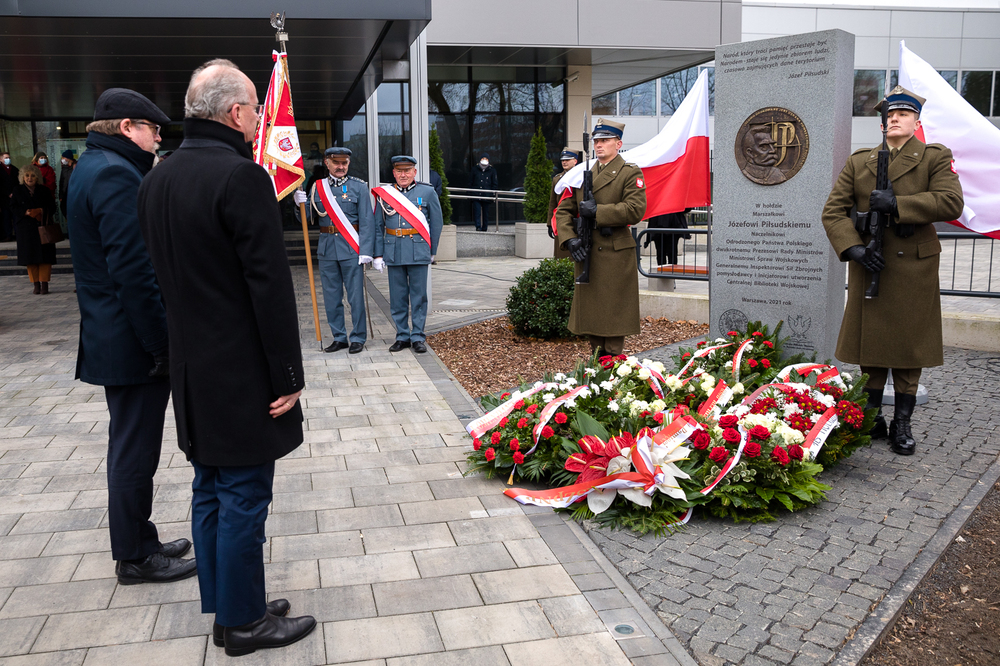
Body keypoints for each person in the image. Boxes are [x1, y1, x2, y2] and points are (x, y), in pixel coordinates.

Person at [138, 58, 315, 657]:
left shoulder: (158, 176)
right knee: (242, 495)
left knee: (211, 489)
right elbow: (269, 285)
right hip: (241, 371)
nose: (260, 117)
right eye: (256, 108)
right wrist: (287, 374)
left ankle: (230, 606)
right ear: (236, 113)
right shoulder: (242, 177)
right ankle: (243, 624)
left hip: (192, 368)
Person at [67, 88, 197, 585]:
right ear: (127, 127)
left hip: (115, 333)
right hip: (131, 340)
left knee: (133, 446)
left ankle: (142, 539)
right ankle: (135, 558)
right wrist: (161, 345)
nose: (158, 138)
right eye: (152, 129)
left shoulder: (94, 166)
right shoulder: (116, 174)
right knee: (134, 451)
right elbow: (134, 273)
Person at [822, 85, 963, 456]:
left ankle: (902, 423)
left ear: (916, 122)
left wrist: (899, 204)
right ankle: (873, 418)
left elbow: (951, 202)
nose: (895, 119)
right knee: (871, 344)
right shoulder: (860, 161)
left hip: (912, 265)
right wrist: (853, 248)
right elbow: (833, 211)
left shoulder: (933, 157)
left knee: (907, 345)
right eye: (890, 115)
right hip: (871, 261)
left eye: (903, 114)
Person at [556, 118, 646, 357]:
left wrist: (598, 211)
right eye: (596, 141)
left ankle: (614, 363)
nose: (599, 145)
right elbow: (563, 211)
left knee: (613, 314)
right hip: (588, 251)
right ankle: (598, 363)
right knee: (592, 315)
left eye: (605, 140)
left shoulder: (629, 172)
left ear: (619, 144)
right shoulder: (580, 174)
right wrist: (570, 239)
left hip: (615, 254)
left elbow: (635, 209)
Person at [293, 147, 376, 354]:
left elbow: (367, 222)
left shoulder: (359, 187)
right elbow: (307, 218)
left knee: (355, 297)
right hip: (327, 249)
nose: (340, 167)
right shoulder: (317, 187)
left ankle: (358, 337)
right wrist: (298, 205)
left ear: (348, 163)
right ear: (327, 163)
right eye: (336, 163)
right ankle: (339, 337)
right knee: (331, 297)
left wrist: (366, 250)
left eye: (344, 163)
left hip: (351, 249)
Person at [373, 155, 443, 354]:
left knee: (419, 296)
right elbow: (378, 226)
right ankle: (402, 335)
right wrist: (378, 254)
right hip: (393, 250)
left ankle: (418, 336)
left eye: (407, 171)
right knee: (397, 297)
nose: (403, 175)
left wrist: (432, 251)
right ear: (394, 173)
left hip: (418, 250)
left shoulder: (427, 192)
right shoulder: (385, 194)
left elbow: (436, 223)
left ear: (415, 172)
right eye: (399, 171)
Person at [11, 164, 57, 294]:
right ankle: (36, 284)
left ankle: (45, 284)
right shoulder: (17, 190)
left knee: (45, 258)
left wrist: (41, 211)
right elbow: (13, 207)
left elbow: (52, 207)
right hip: (26, 229)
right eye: (27, 175)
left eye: (32, 176)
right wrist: (26, 212)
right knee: (29, 258)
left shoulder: (44, 190)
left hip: (42, 228)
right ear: (22, 177)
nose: (29, 178)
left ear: (37, 177)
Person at [547, 147, 578, 259]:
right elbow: (553, 202)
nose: (564, 162)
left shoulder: (581, 176)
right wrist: (549, 224)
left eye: (567, 160)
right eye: (563, 160)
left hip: (576, 218)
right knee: (561, 253)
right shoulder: (557, 179)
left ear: (575, 161)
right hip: (561, 219)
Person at [469, 152, 498, 231]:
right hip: (476, 194)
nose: (484, 160)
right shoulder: (475, 169)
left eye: (486, 159)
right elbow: (470, 182)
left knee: (486, 213)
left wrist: (492, 194)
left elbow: (494, 183)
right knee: (477, 211)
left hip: (486, 195)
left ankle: (485, 227)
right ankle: (478, 226)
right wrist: (470, 193)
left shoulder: (492, 170)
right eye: (483, 158)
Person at [1, 150, 18, 241]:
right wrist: (7, 193)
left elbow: (18, 183)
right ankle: (8, 235)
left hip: (14, 198)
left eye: (9, 157)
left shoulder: (14, 169)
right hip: (4, 198)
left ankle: (17, 233)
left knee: (15, 216)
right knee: (6, 217)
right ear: (1, 159)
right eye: (6, 158)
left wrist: (14, 193)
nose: (8, 159)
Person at [59, 149, 77, 219]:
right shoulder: (64, 168)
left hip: (73, 194)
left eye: (63, 157)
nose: (62, 159)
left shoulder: (76, 167)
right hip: (65, 195)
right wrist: (61, 195)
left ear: (67, 158)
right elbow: (61, 182)